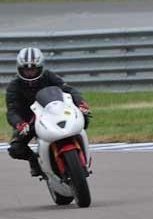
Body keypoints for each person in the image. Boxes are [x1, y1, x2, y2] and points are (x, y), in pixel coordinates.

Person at [5, 47, 92, 177]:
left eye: (33, 69)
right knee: (16, 149)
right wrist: (19, 124)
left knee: (85, 118)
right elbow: (11, 111)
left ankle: (81, 153)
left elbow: (68, 89)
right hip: (29, 121)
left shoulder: (49, 76)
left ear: (40, 68)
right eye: (26, 70)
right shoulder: (13, 87)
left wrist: (80, 103)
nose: (30, 73)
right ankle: (34, 161)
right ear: (19, 69)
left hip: (54, 112)